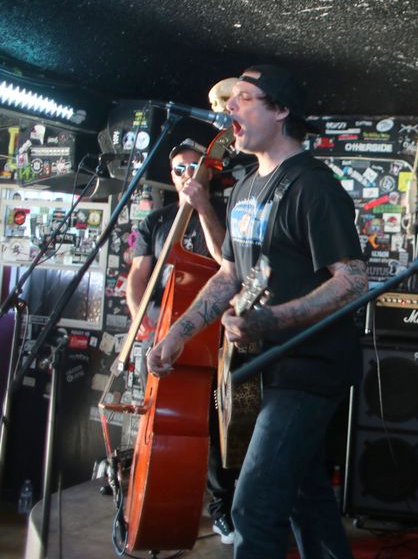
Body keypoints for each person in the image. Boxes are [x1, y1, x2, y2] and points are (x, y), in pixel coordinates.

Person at [146, 64, 367, 559]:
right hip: (266, 367)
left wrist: (272, 320)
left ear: (281, 110)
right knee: (307, 498)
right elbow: (229, 274)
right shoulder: (245, 186)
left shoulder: (313, 186)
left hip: (310, 368)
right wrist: (178, 333)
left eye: (245, 97)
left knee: (253, 507)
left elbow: (353, 280)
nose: (230, 107)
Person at [125, 137, 238, 544]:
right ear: (170, 175)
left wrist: (202, 205)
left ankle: (222, 507)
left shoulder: (227, 210)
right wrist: (144, 325)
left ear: (209, 170)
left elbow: (226, 263)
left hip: (215, 337)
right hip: (162, 334)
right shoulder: (156, 221)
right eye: (179, 168)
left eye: (195, 166)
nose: (187, 174)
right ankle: (157, 497)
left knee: (216, 427)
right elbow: (138, 278)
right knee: (160, 423)